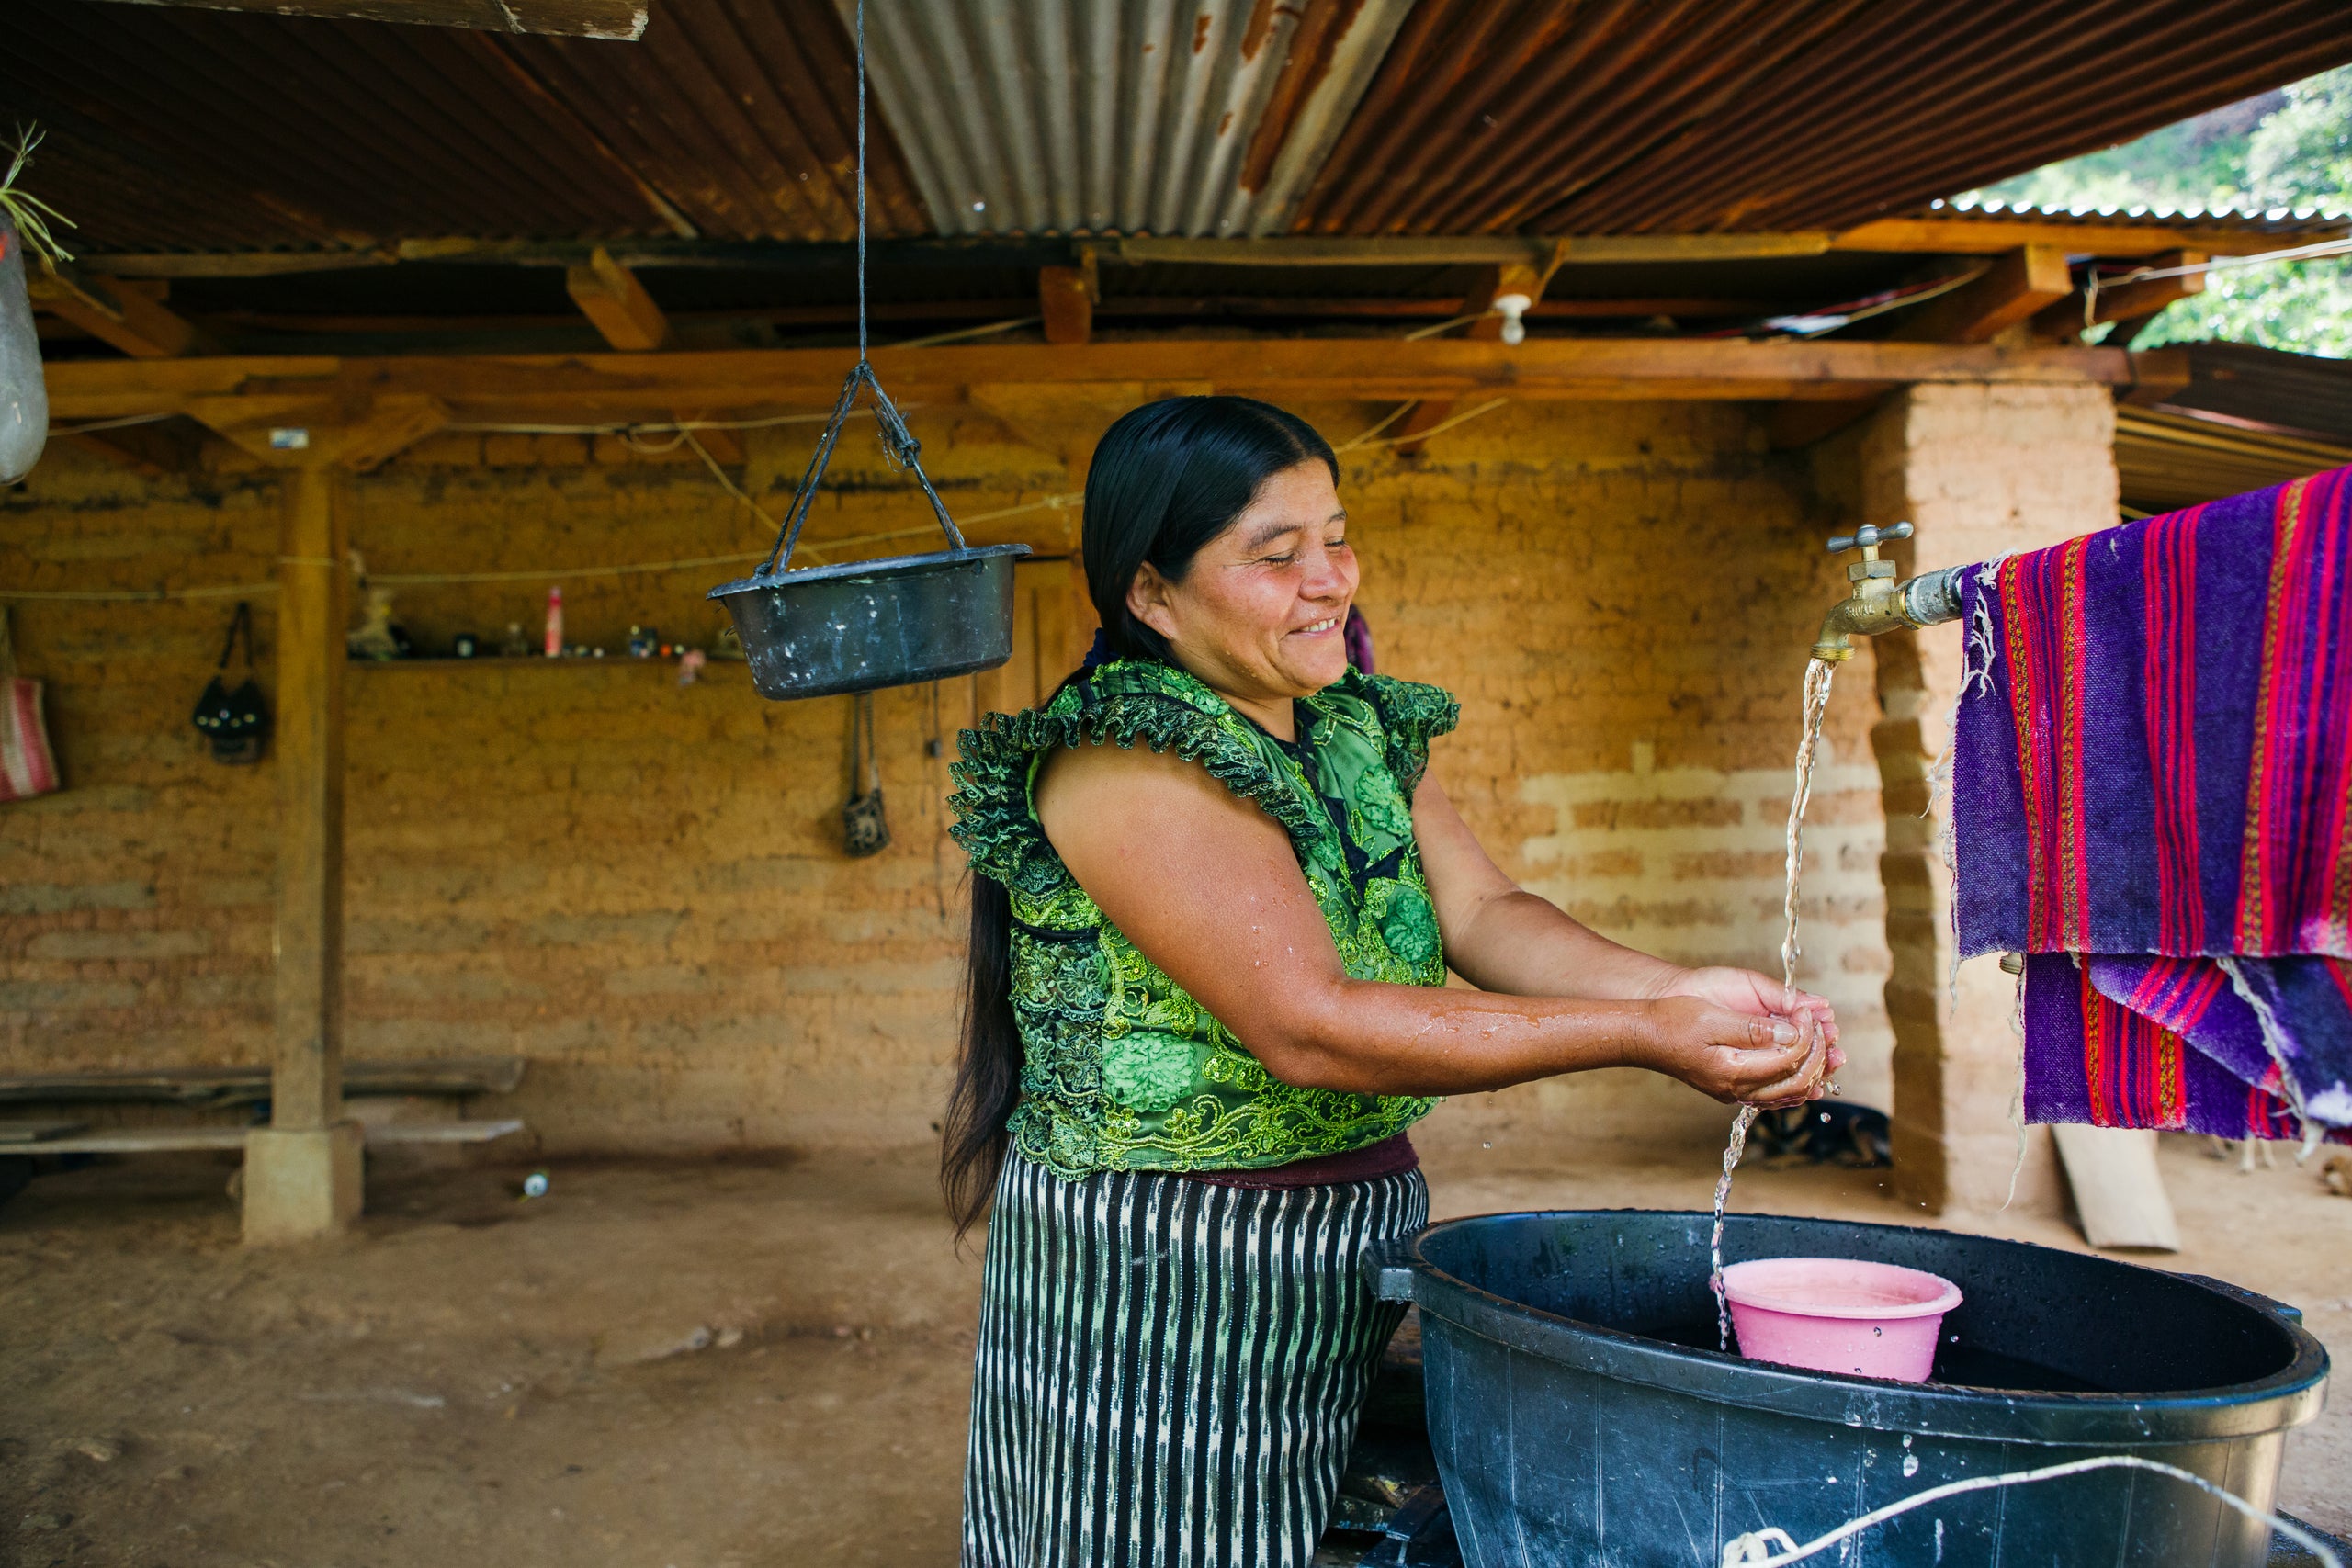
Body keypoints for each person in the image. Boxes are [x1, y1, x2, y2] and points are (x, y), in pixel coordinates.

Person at [944, 396, 1838, 1568]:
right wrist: (1640, 1031)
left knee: (1307, 1532)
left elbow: (1485, 912)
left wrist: (1690, 993)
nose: (1329, 582)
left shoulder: (1352, 727)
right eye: (1275, 555)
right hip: (1165, 1263)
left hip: (1341, 1230)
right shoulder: (1125, 757)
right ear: (1150, 595)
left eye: (1336, 537)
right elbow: (1310, 1029)